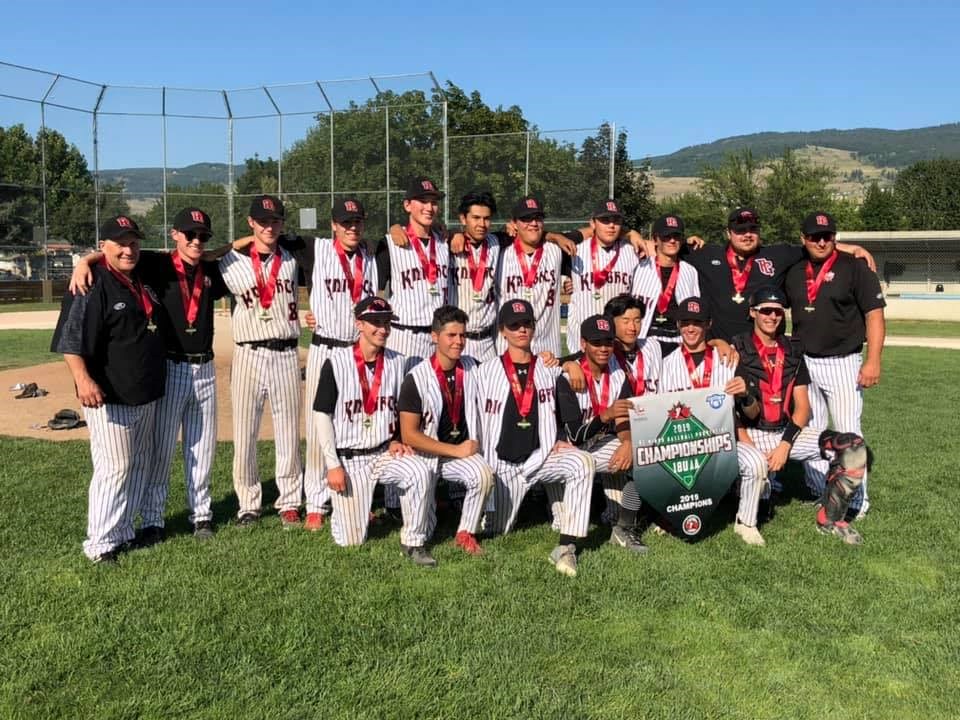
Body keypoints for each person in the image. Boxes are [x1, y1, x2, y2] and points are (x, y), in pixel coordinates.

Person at [68, 208, 229, 543]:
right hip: (169, 368)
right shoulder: (154, 264)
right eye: (190, 234)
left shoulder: (211, 268)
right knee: (160, 450)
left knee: (202, 448)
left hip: (206, 368)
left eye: (202, 235)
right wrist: (85, 260)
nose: (196, 240)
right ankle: (153, 519)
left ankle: (201, 515)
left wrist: (218, 247)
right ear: (175, 235)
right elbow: (116, 253)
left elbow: (236, 246)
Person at [50, 215, 166, 563]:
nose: (128, 249)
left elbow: (188, 253)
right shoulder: (91, 283)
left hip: (144, 390)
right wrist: (83, 380)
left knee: (138, 464)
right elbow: (70, 340)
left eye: (133, 242)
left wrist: (88, 256)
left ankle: (122, 531)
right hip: (109, 394)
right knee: (114, 468)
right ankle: (99, 543)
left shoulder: (140, 276)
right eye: (120, 243)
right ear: (105, 247)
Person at [731, 286, 866, 545]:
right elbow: (727, 406)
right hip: (748, 433)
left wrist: (785, 445)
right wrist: (747, 444)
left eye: (778, 312)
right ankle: (745, 523)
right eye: (765, 311)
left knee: (853, 447)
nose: (772, 317)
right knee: (756, 468)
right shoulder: (737, 347)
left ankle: (830, 516)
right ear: (752, 312)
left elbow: (803, 407)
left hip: (782, 432)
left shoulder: (793, 350)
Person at [475, 299, 595, 577]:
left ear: (534, 326)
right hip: (503, 466)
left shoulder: (548, 368)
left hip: (540, 458)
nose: (521, 330)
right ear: (503, 330)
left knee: (583, 463)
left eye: (526, 323)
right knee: (497, 531)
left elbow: (569, 368)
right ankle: (494, 511)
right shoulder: (485, 371)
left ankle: (566, 547)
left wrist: (569, 365)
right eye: (514, 325)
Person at [313, 297, 437, 566]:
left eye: (386, 322)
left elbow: (401, 410)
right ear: (359, 324)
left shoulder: (397, 362)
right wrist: (332, 465)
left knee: (419, 471)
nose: (383, 328)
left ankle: (414, 541)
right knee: (351, 541)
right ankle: (349, 510)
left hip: (383, 452)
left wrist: (396, 439)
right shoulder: (335, 362)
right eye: (375, 322)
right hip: (349, 458)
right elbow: (322, 415)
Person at [783, 211, 885, 517]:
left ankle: (856, 501)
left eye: (827, 235)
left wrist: (874, 360)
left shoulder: (855, 267)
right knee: (812, 430)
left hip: (843, 361)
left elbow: (875, 316)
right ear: (803, 239)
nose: (821, 241)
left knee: (848, 433)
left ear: (835, 237)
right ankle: (821, 491)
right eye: (814, 236)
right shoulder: (794, 269)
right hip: (804, 362)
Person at [218, 195, 303, 528]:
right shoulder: (230, 260)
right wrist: (243, 241)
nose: (270, 227)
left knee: (288, 432)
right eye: (263, 221)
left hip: (285, 352)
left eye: (276, 221)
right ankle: (249, 504)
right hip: (249, 354)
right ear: (251, 222)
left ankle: (290, 501)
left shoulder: (292, 258)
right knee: (245, 432)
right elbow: (202, 254)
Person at [301, 197, 381, 531]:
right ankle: (316, 502)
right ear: (333, 225)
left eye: (357, 222)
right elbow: (269, 238)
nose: (352, 228)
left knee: (354, 424)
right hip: (325, 347)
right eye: (345, 223)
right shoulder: (316, 249)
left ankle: (358, 495)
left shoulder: (372, 255)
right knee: (318, 425)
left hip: (357, 350)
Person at [683, 207, 875, 342]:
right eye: (740, 230)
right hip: (720, 350)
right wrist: (654, 243)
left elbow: (815, 245)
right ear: (728, 233)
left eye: (753, 229)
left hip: (762, 352)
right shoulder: (707, 254)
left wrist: (851, 248)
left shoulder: (778, 254)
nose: (747, 235)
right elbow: (667, 248)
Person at [397, 306, 494, 555]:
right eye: (451, 335)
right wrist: (455, 449)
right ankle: (429, 512)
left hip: (458, 454)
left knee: (483, 474)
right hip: (425, 456)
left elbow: (505, 372)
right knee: (426, 530)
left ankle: (465, 532)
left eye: (462, 335)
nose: (459, 342)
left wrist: (563, 363)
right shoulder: (416, 377)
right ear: (434, 336)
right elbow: (409, 435)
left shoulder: (473, 367)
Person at [555, 315, 644, 552]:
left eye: (607, 342)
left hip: (599, 444)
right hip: (565, 451)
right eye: (596, 342)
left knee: (641, 456)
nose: (604, 348)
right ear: (583, 344)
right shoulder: (567, 377)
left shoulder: (617, 373)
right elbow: (574, 436)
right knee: (555, 522)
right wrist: (606, 414)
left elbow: (623, 417)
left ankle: (624, 528)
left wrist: (627, 443)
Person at [383, 176, 451, 362]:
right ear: (407, 205)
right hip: (404, 339)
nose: (429, 208)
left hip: (438, 338)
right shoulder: (390, 244)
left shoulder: (446, 241)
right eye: (422, 201)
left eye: (434, 202)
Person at [562, 200, 642, 351]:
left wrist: (632, 234)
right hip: (582, 336)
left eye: (616, 221)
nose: (611, 225)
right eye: (605, 220)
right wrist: (565, 281)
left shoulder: (632, 252)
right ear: (592, 223)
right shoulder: (574, 251)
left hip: (617, 337)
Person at [494, 196, 565, 357]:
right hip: (506, 349)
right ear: (513, 223)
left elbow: (590, 233)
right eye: (526, 219)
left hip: (548, 350)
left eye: (538, 218)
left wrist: (630, 233)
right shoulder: (499, 252)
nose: (533, 223)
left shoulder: (556, 250)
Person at [630, 213, 700, 352]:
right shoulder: (639, 266)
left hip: (679, 341)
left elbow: (695, 308)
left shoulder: (690, 271)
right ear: (655, 239)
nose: (672, 241)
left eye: (676, 236)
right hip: (644, 339)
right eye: (666, 236)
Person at [444, 191, 501, 362]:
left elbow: (530, 233)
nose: (482, 224)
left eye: (486, 218)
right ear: (463, 219)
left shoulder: (497, 242)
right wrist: (454, 233)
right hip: (457, 341)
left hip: (487, 342)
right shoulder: (447, 245)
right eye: (476, 218)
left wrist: (553, 235)